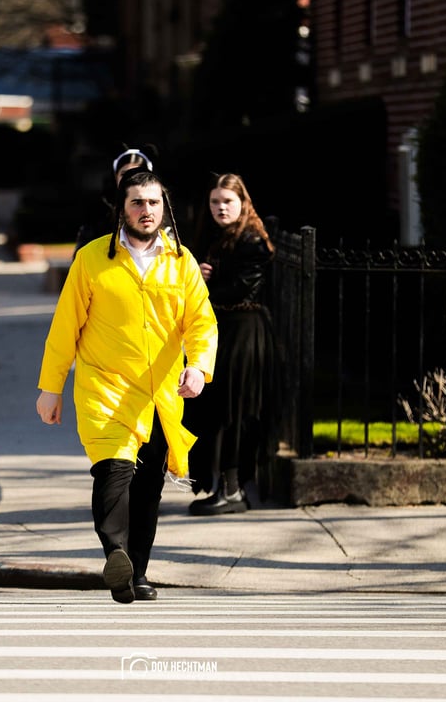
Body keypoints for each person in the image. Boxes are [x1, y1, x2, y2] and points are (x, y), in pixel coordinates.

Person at [37, 170, 217, 603]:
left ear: (164, 207)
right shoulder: (93, 259)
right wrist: (51, 386)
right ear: (122, 208)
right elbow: (65, 327)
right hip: (105, 387)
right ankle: (116, 553)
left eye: (153, 202)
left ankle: (136, 572)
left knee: (148, 487)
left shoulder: (181, 261)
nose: (146, 211)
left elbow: (201, 321)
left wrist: (199, 367)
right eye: (137, 202)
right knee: (113, 474)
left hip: (160, 394)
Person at [184, 173, 277, 515]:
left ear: (242, 203)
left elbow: (240, 288)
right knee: (216, 408)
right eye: (215, 202)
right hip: (223, 329)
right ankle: (223, 486)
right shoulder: (219, 236)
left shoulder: (251, 240)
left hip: (245, 333)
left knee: (233, 410)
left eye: (227, 201)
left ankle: (233, 490)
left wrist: (203, 285)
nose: (220, 208)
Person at [73, 145, 156, 254]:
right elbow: (81, 258)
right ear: (115, 176)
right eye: (124, 174)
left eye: (137, 173)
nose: (130, 178)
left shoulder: (161, 212)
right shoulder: (98, 215)